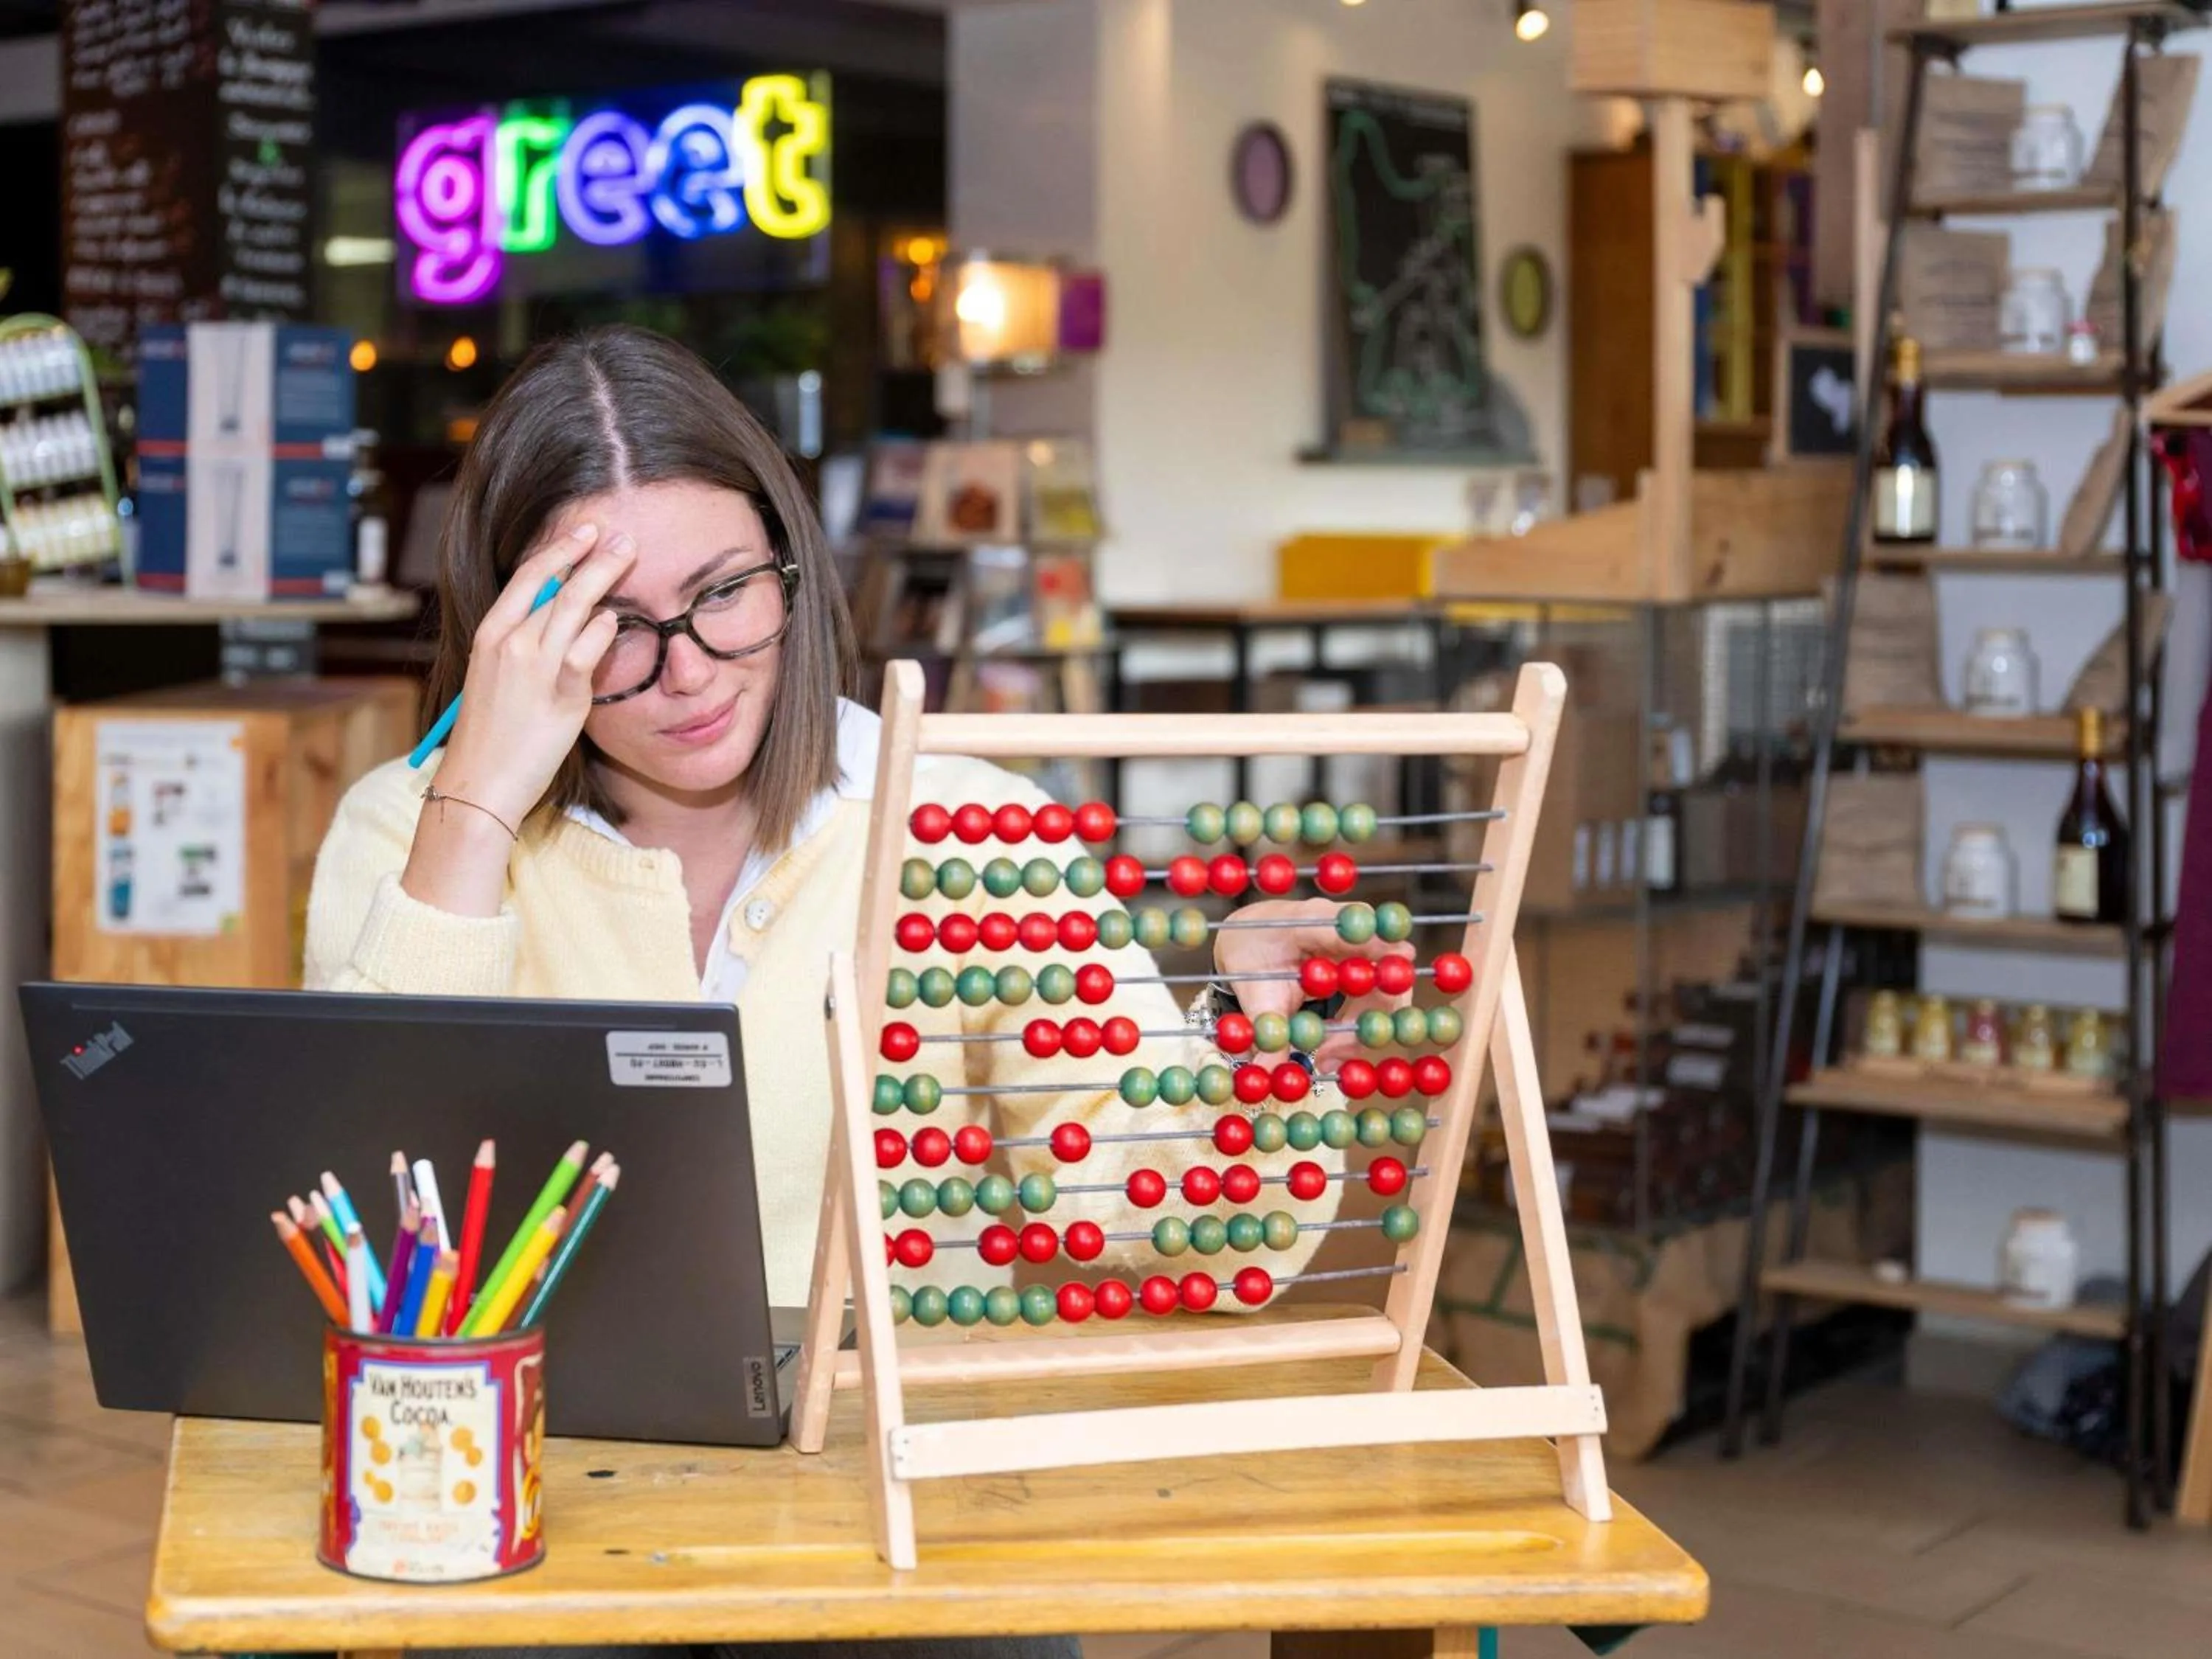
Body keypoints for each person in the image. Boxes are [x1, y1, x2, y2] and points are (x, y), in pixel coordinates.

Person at [305, 326, 1413, 1659]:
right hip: (523, 1497)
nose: (693, 668)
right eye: (611, 630)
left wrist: (1249, 1043)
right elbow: (375, 1236)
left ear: (793, 563)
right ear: (509, 638)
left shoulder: (962, 826)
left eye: (725, 592)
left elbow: (1178, 1226)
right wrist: (474, 804)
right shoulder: (407, 833)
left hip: (898, 1518)